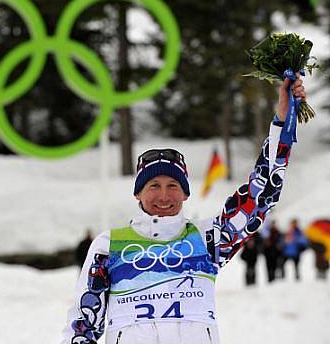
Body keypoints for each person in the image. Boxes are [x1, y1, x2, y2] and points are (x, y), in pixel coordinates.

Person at [61, 75, 306, 344]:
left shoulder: (207, 239)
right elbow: (83, 325)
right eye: (153, 185)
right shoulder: (109, 246)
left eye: (173, 185)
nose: (164, 195)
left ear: (186, 193)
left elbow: (261, 194)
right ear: (137, 193)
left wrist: (282, 119)